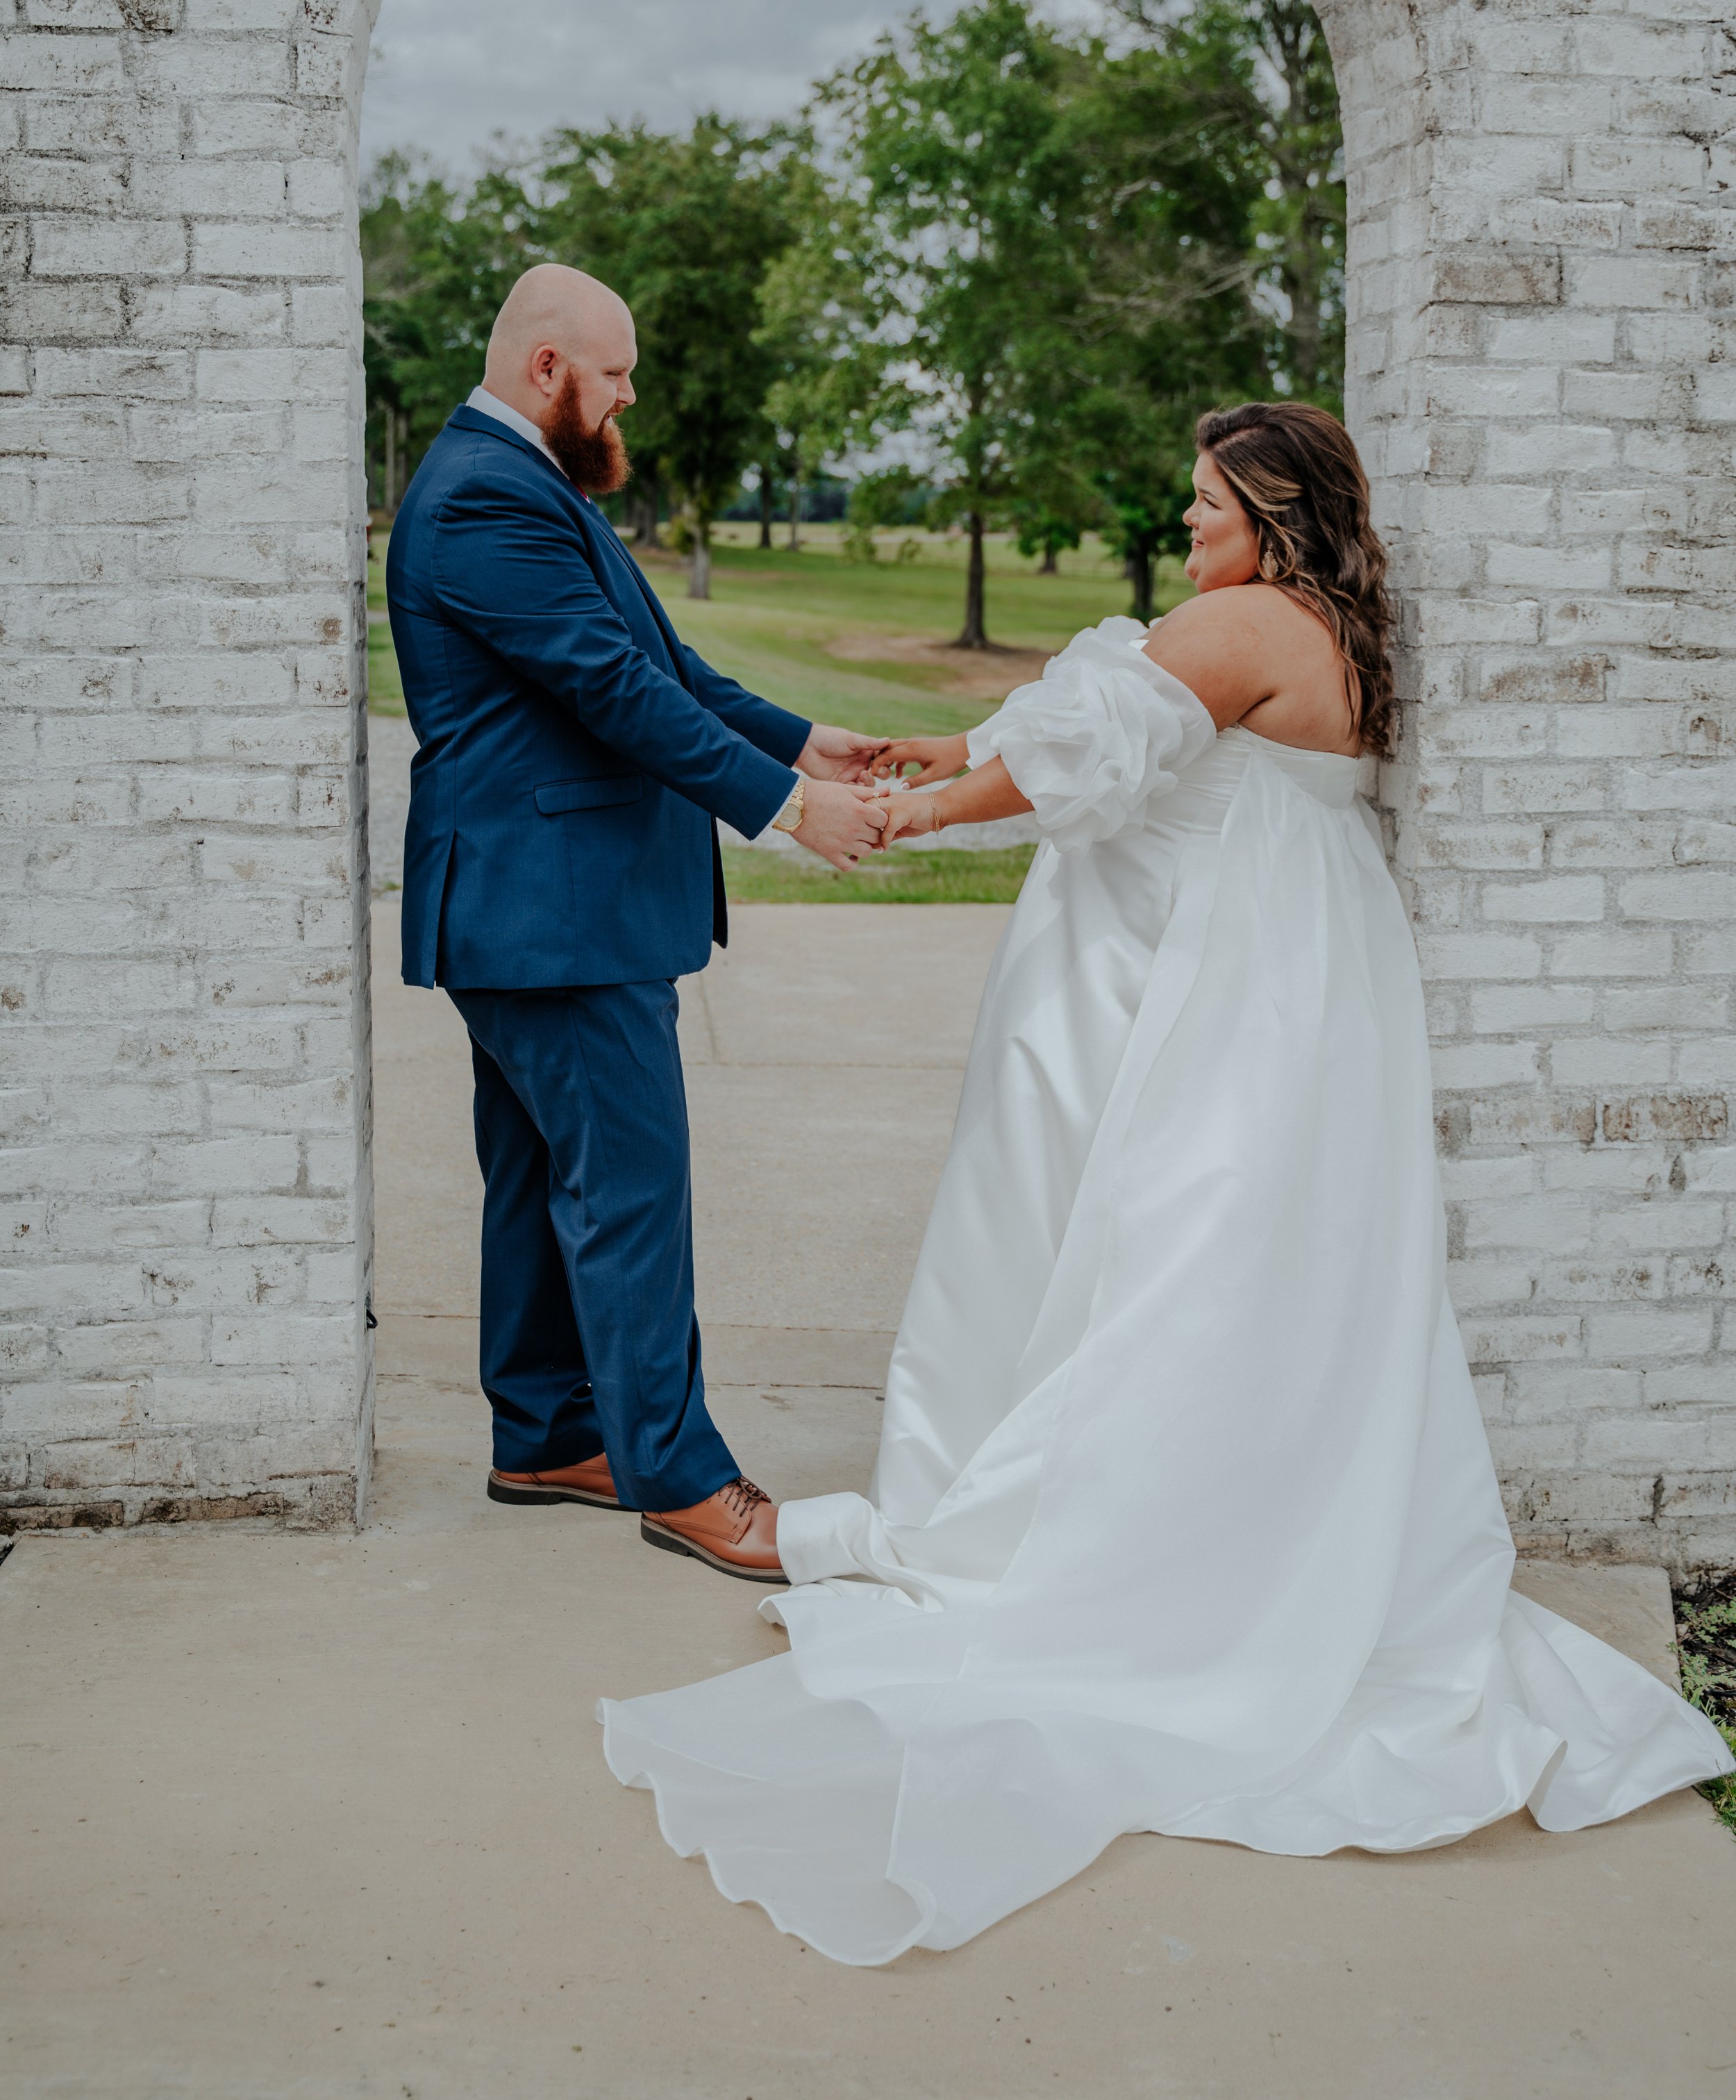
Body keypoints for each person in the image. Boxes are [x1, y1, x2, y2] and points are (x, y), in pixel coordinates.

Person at [599, 400, 1734, 1965]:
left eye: (1203, 498)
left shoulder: (1239, 618)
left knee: (1171, 1270)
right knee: (1248, 1281)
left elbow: (1077, 755)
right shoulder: (1322, 624)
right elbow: (1107, 728)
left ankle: (1144, 1563)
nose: (1183, 517)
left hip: (1231, 999)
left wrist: (901, 811)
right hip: (1309, 986)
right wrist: (947, 740)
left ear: (1265, 513)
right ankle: (1257, 1524)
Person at [386, 263, 890, 1581]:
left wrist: (803, 737)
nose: (627, 397)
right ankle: (682, 1479)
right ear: (547, 368)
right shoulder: (489, 495)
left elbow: (663, 663)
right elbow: (612, 691)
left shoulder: (522, 480)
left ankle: (549, 1433)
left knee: (547, 1179)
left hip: (538, 906)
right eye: (612, 375)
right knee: (628, 1189)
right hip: (553, 913)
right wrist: (784, 808)